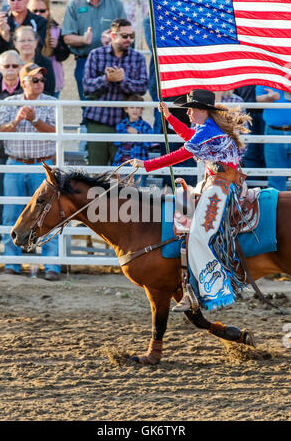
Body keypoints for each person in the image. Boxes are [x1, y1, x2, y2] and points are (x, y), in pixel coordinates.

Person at [130, 89, 251, 312]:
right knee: (187, 225)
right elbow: (189, 138)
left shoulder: (206, 131)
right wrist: (169, 117)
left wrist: (146, 165)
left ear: (203, 111)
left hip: (221, 186)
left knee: (197, 235)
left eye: (191, 109)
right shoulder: (206, 129)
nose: (188, 113)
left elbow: (181, 154)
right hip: (214, 182)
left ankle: (209, 289)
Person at [0, 62, 61, 281]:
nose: (39, 83)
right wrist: (17, 120)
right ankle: (12, 263)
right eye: (34, 80)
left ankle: (51, 265)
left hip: (41, 165)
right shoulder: (10, 103)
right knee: (11, 215)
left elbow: (56, 132)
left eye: (41, 80)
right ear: (22, 82)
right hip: (14, 163)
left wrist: (34, 119)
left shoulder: (52, 103)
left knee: (48, 215)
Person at [83, 18, 148, 166]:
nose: (129, 40)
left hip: (125, 123)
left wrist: (122, 80)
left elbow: (143, 87)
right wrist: (107, 79)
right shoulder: (96, 54)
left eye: (132, 36)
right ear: (113, 36)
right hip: (98, 120)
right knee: (96, 170)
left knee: (122, 172)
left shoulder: (138, 58)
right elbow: (87, 86)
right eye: (125, 36)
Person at [61, 0, 126, 105]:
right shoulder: (74, 4)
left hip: (113, 63)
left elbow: (127, 35)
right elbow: (67, 37)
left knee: (115, 107)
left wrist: (114, 40)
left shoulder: (116, 5)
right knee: (88, 107)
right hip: (84, 62)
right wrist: (83, 39)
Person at [0, 50, 23, 253]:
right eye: (7, 66)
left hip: (22, 152)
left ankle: (25, 241)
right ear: (0, 68)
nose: (10, 70)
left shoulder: (29, 89)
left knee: (23, 198)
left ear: (20, 67)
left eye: (14, 66)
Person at [28, 0, 70, 98]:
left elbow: (64, 56)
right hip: (29, 80)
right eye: (35, 11)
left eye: (42, 11)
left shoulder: (55, 29)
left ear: (48, 11)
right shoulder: (25, 29)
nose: (38, 14)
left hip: (52, 79)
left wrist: (57, 46)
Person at [255, 85, 291, 191]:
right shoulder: (268, 74)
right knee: (275, 178)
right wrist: (269, 98)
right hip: (273, 131)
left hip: (273, 132)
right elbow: (259, 99)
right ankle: (277, 207)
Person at [112, 94, 152, 186]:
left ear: (142, 109)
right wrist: (128, 136)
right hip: (121, 162)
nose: (135, 110)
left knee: (138, 189)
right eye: (132, 107)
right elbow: (116, 142)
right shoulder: (121, 125)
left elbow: (148, 144)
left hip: (139, 163)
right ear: (126, 109)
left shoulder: (145, 126)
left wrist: (137, 134)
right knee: (120, 189)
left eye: (138, 107)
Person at [234, 86, 266, 183]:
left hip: (266, 112)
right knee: (249, 154)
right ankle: (253, 185)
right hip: (246, 111)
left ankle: (263, 186)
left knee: (265, 154)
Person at [13, 25, 55, 96]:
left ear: (36, 42)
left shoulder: (45, 63)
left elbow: (49, 90)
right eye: (22, 41)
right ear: (15, 43)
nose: (26, 44)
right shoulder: (9, 63)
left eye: (30, 40)